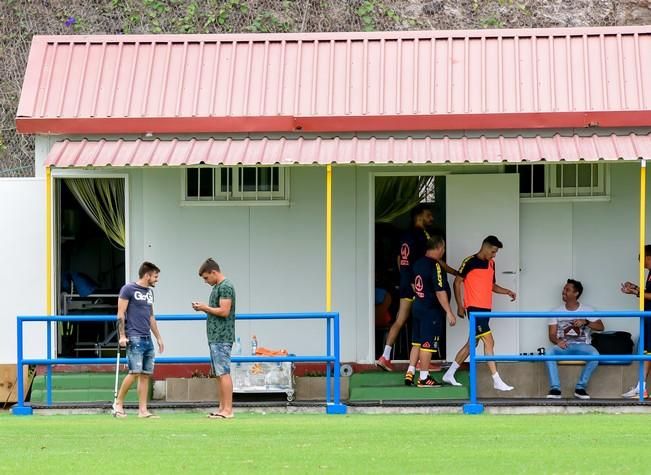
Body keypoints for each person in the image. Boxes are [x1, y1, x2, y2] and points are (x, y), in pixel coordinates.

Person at [377, 204, 458, 371]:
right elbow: (431, 260)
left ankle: (385, 356)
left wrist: (407, 278)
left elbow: (400, 260)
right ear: (419, 216)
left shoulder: (404, 235)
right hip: (418, 286)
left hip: (407, 283)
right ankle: (423, 362)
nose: (432, 218)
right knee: (424, 321)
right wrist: (456, 272)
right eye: (429, 215)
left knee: (401, 319)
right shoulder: (421, 236)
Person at [442, 235, 516, 391]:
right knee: (490, 342)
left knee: (472, 344)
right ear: (486, 247)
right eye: (493, 251)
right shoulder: (469, 261)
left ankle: (449, 373)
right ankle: (496, 379)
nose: (494, 255)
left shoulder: (491, 264)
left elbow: (492, 286)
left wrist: (507, 291)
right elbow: (457, 281)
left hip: (486, 310)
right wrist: (460, 306)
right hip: (474, 310)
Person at [113, 261, 164, 418]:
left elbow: (151, 316)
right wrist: (122, 335)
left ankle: (143, 410)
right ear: (147, 275)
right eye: (155, 276)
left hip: (147, 337)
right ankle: (118, 404)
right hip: (134, 336)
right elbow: (120, 313)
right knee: (134, 372)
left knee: (145, 374)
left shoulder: (149, 292)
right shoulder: (128, 289)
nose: (157, 279)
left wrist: (159, 337)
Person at [405, 236, 457, 387]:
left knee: (417, 342)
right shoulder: (435, 266)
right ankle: (423, 378)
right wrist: (449, 311)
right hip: (430, 311)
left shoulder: (418, 263)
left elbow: (414, 286)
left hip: (417, 307)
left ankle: (410, 372)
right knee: (427, 344)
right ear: (440, 247)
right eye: (444, 248)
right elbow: (440, 291)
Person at [193, 258, 236, 419]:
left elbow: (224, 311)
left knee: (223, 372)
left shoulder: (225, 286)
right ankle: (222, 407)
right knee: (219, 373)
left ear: (214, 272)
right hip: (215, 336)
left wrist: (205, 307)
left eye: (206, 278)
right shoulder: (218, 286)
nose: (205, 281)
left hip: (222, 336)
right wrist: (204, 309)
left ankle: (228, 410)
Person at [545, 279, 604, 400]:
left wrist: (586, 322)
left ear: (576, 293)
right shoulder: (555, 311)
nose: (563, 292)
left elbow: (601, 327)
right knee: (549, 354)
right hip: (564, 346)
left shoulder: (588, 310)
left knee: (595, 355)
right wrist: (558, 341)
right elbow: (551, 334)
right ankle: (555, 389)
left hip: (583, 346)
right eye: (564, 289)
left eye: (567, 290)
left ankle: (580, 388)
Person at [620, 244, 651, 398]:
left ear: (649, 257)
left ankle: (641, 387)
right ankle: (641, 387)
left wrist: (637, 291)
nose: (639, 259)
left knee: (648, 352)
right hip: (648, 316)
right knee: (647, 352)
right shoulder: (650, 274)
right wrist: (636, 290)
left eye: (641, 256)